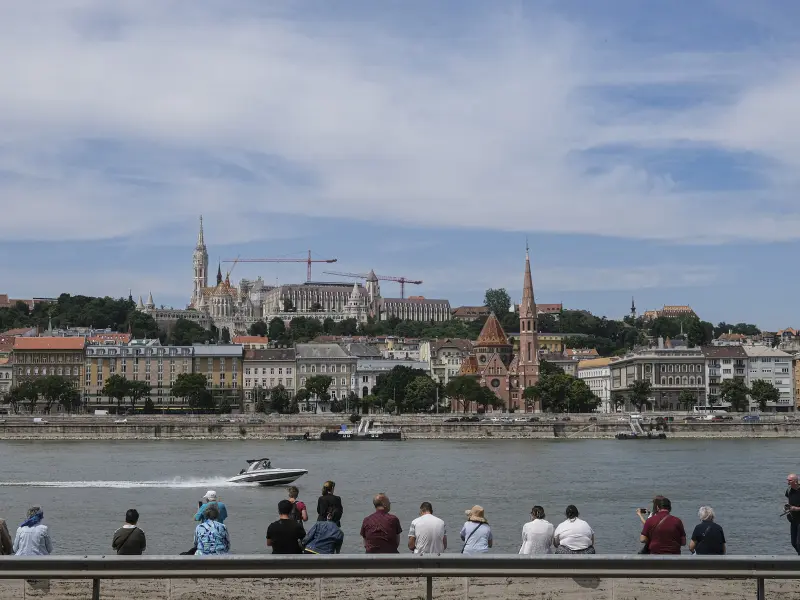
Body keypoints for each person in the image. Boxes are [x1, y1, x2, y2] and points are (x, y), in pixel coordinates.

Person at [786, 474, 800, 554]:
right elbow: (788, 501)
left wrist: (795, 508)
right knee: (794, 543)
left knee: (799, 543)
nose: (788, 482)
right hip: (793, 519)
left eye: (790, 480)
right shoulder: (789, 490)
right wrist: (786, 507)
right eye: (787, 480)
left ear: (795, 481)